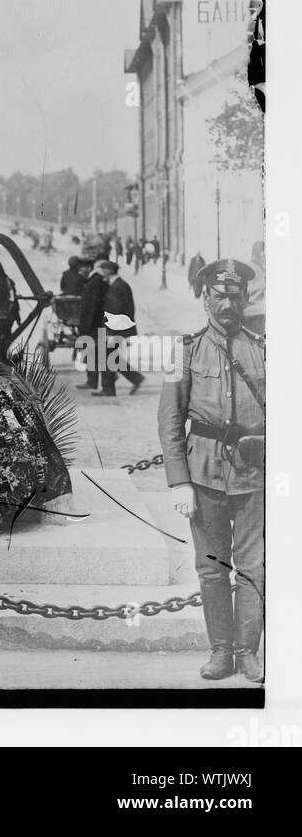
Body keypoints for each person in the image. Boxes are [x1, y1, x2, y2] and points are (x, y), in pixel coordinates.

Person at [157, 259, 264, 683]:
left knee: (255, 566)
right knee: (213, 568)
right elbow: (169, 420)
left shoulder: (265, 348)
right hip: (202, 476)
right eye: (218, 296)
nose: (226, 303)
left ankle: (248, 653)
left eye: (234, 296)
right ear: (205, 298)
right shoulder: (180, 351)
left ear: (245, 298)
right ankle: (221, 652)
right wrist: (178, 480)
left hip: (254, 477)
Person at [92, 259, 145, 397]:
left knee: (105, 355)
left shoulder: (117, 287)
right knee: (109, 356)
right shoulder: (119, 284)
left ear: (109, 271)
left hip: (117, 329)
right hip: (121, 329)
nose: (101, 273)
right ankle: (135, 378)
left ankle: (108, 389)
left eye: (103, 270)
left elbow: (115, 312)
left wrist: (110, 333)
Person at [75, 261, 106, 390]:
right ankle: (92, 381)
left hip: (93, 325)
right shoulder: (94, 280)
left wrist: (87, 327)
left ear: (88, 268)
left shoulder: (95, 282)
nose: (80, 272)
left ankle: (92, 382)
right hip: (95, 324)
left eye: (82, 270)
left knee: (93, 352)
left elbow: (93, 307)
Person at [244, 241, 265, 336]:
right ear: (261, 253)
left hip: (246, 314)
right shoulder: (260, 269)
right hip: (257, 315)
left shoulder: (246, 266)